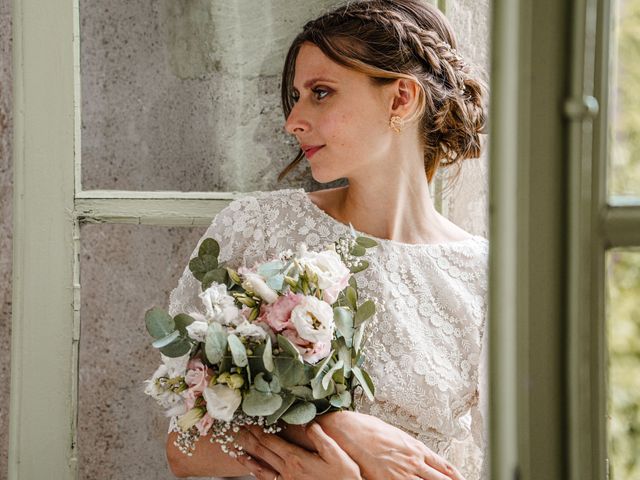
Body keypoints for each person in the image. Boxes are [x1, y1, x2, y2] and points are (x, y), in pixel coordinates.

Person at [164, 0, 489, 478]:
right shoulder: (258, 228)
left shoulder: (483, 274)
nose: (292, 120)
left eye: (320, 92)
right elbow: (183, 444)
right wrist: (335, 429)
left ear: (401, 99)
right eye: (296, 95)